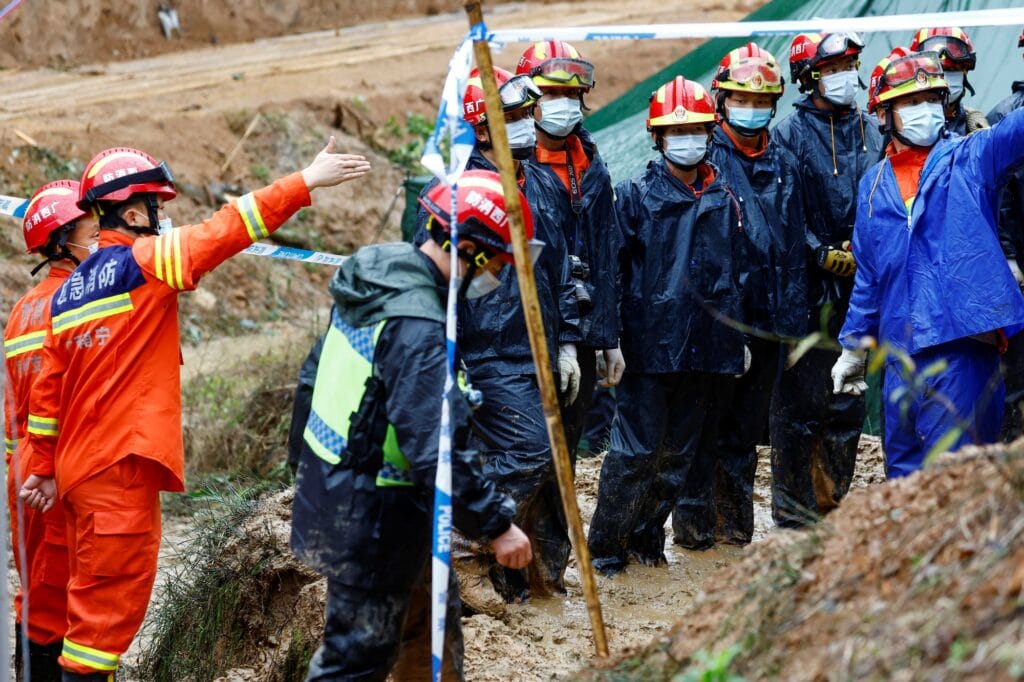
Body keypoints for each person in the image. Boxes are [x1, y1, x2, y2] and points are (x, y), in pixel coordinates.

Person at [20, 141, 370, 680]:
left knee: (82, 608)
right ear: (134, 213)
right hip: (120, 473)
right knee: (100, 629)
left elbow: (46, 395)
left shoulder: (68, 295)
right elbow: (227, 228)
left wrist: (42, 467)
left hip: (76, 473)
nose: (163, 218)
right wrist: (307, 180)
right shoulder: (145, 262)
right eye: (157, 208)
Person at [291, 169, 533, 681]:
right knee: (357, 660)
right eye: (498, 264)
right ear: (469, 250)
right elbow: (433, 444)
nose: (499, 278)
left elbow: (310, 382)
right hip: (372, 512)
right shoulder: (416, 321)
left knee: (428, 631)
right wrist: (495, 525)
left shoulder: (379, 279)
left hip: (362, 496)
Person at [414, 67, 582, 603]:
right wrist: (451, 356)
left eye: (527, 115)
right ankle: (465, 547)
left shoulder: (545, 185)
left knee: (557, 467)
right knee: (528, 452)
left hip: (543, 344)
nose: (527, 127)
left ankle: (535, 579)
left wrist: (572, 339)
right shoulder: (458, 192)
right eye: (511, 118)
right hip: (491, 351)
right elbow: (437, 279)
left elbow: (562, 270)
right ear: (483, 128)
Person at [832, 48, 1024, 478]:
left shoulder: (973, 157)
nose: (925, 110)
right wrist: (852, 345)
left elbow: (1018, 130)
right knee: (903, 476)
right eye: (910, 102)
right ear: (885, 114)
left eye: (932, 100)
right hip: (900, 352)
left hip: (962, 345)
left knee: (953, 479)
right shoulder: (873, 183)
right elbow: (869, 272)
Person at [587, 76, 747, 574]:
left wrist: (736, 336)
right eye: (677, 131)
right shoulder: (634, 196)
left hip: (707, 348)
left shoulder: (725, 194)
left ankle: (647, 542)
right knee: (634, 453)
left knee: (678, 454)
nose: (689, 139)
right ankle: (607, 552)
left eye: (698, 129)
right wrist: (607, 340)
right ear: (656, 137)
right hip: (649, 347)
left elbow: (738, 270)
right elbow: (610, 273)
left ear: (709, 131)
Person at [770, 32, 883, 526]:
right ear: (810, 75)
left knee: (847, 402)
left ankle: (830, 504)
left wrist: (866, 250)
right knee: (800, 404)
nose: (845, 75)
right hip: (807, 288)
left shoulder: (872, 129)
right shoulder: (789, 134)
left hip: (863, 283)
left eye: (851, 64)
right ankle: (794, 516)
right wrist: (819, 251)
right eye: (833, 66)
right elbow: (779, 210)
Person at [705, 43, 808, 545]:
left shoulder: (784, 161)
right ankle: (698, 531)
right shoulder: (704, 158)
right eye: (741, 98)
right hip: (720, 323)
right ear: (720, 99)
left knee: (745, 432)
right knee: (708, 431)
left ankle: (733, 535)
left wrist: (790, 329)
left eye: (762, 98)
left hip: (771, 321)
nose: (752, 107)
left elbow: (790, 248)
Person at [4, 181, 98, 681]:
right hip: (57, 466)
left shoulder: (22, 309)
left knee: (35, 589)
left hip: (22, 470)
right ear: (63, 239)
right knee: (71, 596)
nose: (100, 239)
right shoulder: (79, 298)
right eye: (93, 230)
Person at [514, 41, 626, 454]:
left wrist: (607, 338)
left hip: (582, 328)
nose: (564, 103)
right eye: (552, 93)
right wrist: (558, 341)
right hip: (526, 336)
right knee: (528, 454)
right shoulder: (514, 168)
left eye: (571, 94)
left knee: (567, 450)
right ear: (530, 99)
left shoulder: (592, 165)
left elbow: (605, 252)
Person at [989, 27, 1024, 441]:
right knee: (1014, 380)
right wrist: (1009, 256)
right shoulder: (1005, 117)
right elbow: (996, 196)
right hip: (1017, 278)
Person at [909, 27, 989, 136]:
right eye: (935, 71)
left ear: (964, 74)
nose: (944, 80)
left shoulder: (976, 126)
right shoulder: (895, 124)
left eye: (952, 70)